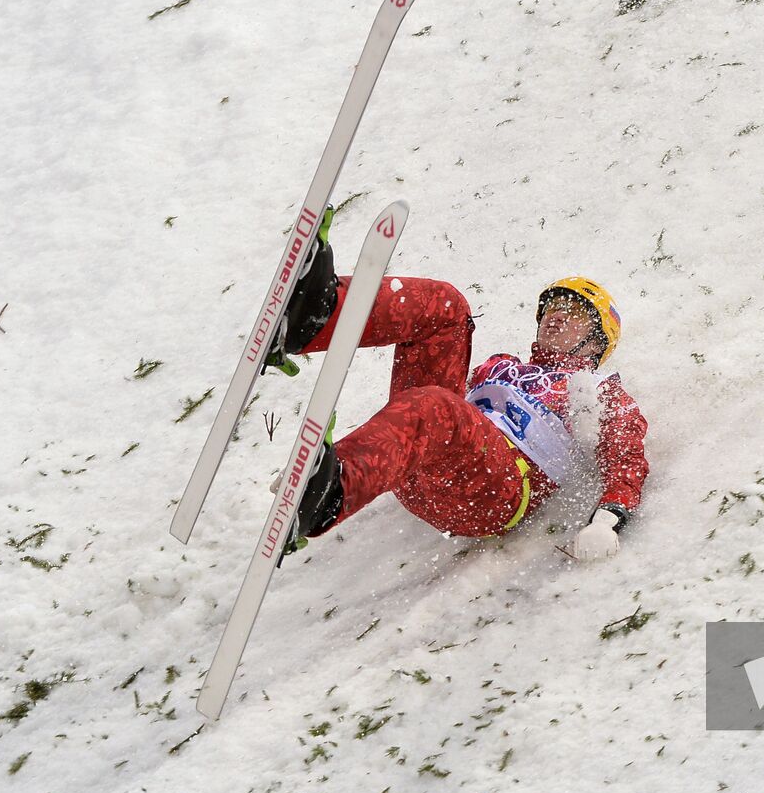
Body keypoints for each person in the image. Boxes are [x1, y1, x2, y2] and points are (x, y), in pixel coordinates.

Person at [270, 217, 650, 561]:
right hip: (437, 462)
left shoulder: (596, 390)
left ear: (596, 343)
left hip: (495, 494)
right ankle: (315, 315)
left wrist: (608, 519)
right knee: (447, 307)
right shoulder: (501, 365)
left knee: (436, 407)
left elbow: (627, 461)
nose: (558, 314)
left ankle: (328, 494)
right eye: (553, 306)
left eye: (578, 313)